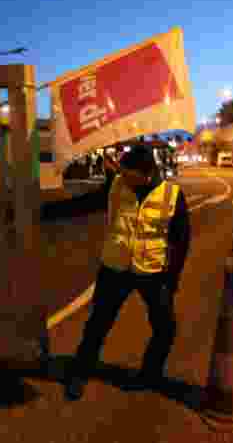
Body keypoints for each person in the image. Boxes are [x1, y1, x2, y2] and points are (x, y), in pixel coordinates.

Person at [64, 144, 192, 400]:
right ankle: (80, 372)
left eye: (130, 175)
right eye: (123, 173)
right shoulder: (117, 186)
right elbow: (84, 204)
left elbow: (182, 238)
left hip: (152, 272)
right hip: (115, 269)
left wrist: (172, 277)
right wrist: (45, 212)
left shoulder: (171, 194)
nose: (124, 179)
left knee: (165, 328)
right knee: (97, 325)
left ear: (147, 174)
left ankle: (149, 375)